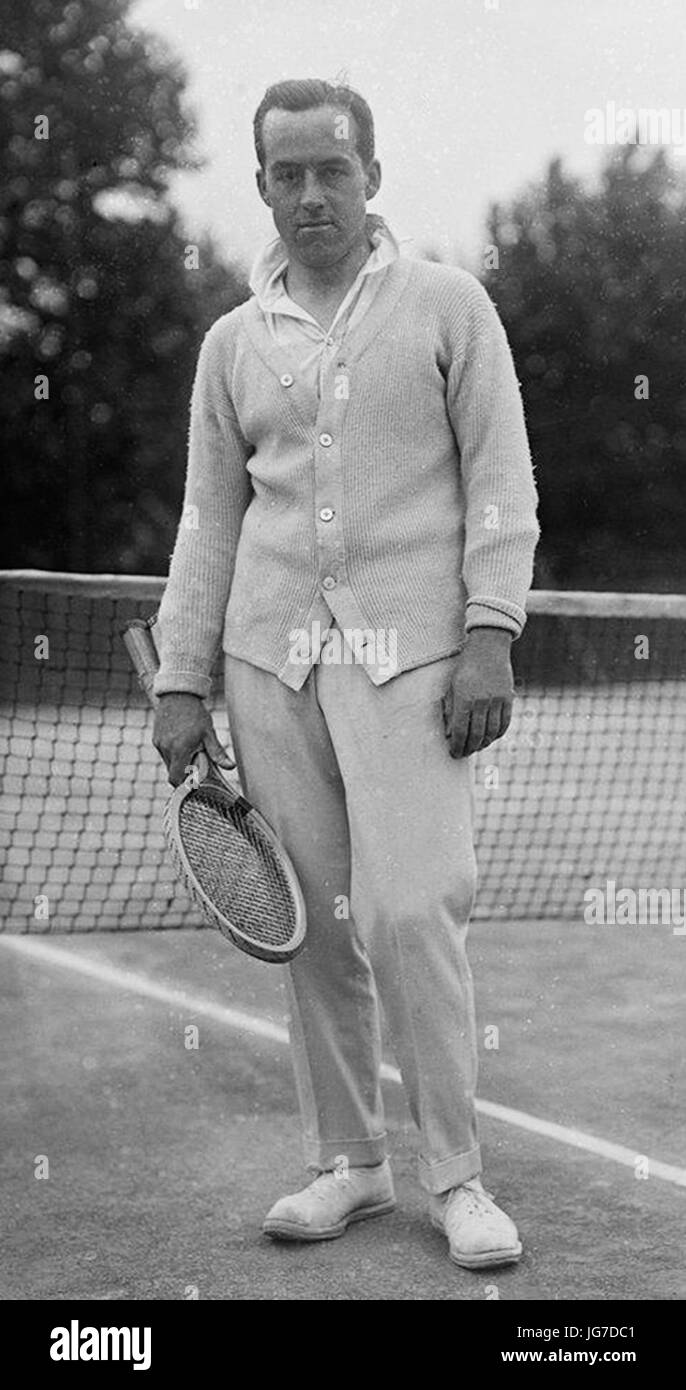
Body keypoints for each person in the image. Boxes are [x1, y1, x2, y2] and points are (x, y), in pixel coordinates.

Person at [152, 78, 539, 1271]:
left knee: (407, 908)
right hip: (268, 668)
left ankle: (454, 1177)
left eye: (331, 168)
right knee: (318, 929)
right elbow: (208, 517)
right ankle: (352, 1165)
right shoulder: (230, 342)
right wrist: (182, 673)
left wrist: (490, 628)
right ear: (260, 184)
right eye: (285, 173)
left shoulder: (445, 304)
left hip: (414, 663)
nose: (309, 192)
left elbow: (499, 478)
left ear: (370, 173)